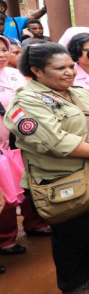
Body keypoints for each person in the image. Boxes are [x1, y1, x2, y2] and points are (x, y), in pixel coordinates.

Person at [4, 43, 89, 294]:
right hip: (63, 180)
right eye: (60, 68)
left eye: (70, 66)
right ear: (36, 70)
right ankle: (73, 286)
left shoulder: (79, 93)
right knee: (72, 234)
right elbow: (56, 142)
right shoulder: (26, 101)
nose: (69, 72)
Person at [0, 35, 49, 257]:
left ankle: (35, 223)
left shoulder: (14, 75)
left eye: (4, 50)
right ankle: (6, 239)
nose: (2, 54)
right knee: (6, 191)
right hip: (2, 147)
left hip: (21, 140)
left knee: (27, 183)